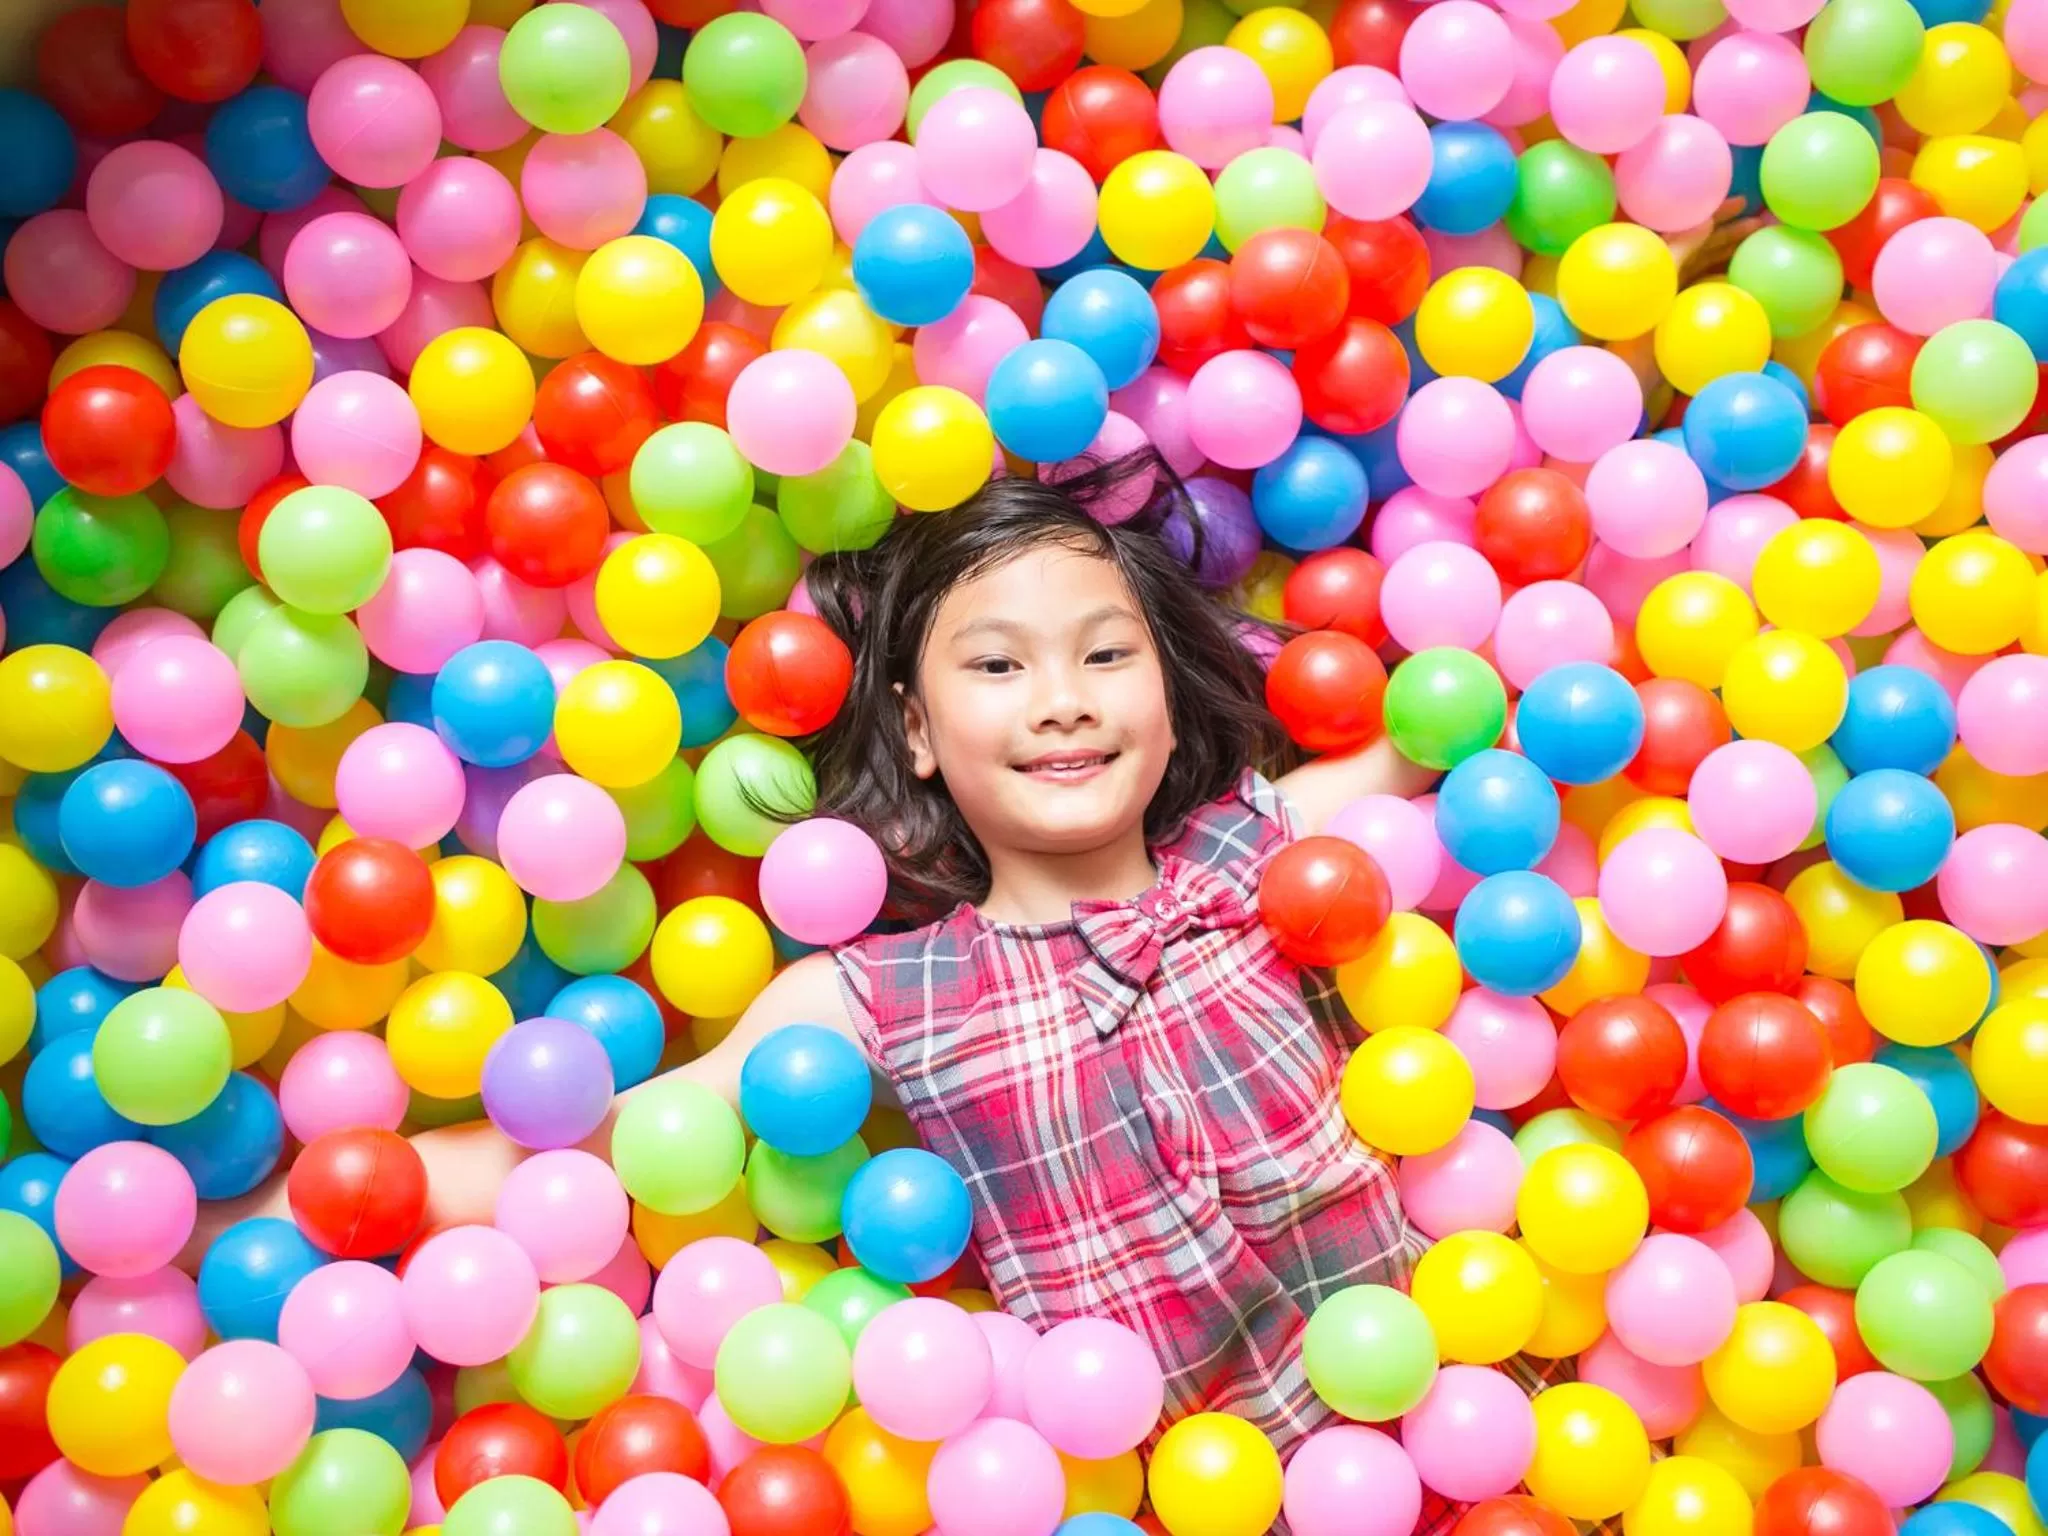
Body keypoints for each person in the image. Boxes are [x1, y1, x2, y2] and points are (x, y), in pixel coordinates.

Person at [188, 461, 1565, 1530]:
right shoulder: (883, 997)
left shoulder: (1265, 851)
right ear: (912, 727)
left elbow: (1460, 735)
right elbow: (614, 1149)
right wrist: (302, 1208)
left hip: (1482, 1447)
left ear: (1166, 687)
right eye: (996, 664)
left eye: (1104, 653)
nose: (1061, 700)